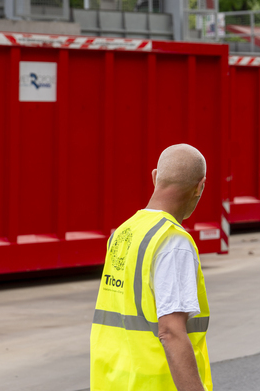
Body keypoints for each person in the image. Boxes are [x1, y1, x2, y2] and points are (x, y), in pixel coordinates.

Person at [90, 144, 212, 391]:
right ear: (200, 187)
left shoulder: (124, 231)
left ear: (155, 176)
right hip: (155, 384)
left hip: (113, 381)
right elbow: (170, 331)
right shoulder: (173, 241)